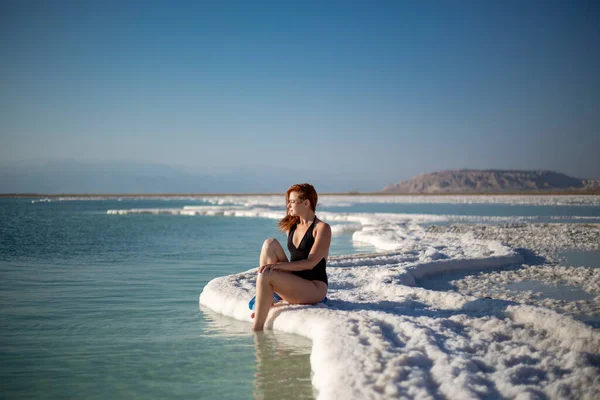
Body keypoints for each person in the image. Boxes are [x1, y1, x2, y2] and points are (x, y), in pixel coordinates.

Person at [252, 183, 330, 331]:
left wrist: (276, 267)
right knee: (270, 244)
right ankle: (266, 301)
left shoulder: (322, 228)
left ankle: (257, 330)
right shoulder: (292, 226)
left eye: (292, 201)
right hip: (295, 281)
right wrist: (275, 268)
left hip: (314, 288)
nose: (288, 205)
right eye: (288, 201)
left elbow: (310, 263)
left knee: (265, 276)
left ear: (306, 203)